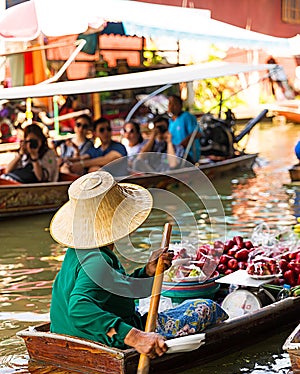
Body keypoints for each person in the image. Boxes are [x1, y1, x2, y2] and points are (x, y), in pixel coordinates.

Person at [49, 171, 228, 356]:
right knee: (205, 307)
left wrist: (147, 272)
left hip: (65, 334)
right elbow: (79, 309)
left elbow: (113, 289)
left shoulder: (78, 251)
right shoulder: (97, 262)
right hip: (102, 339)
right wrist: (136, 337)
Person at [168, 94, 201, 163]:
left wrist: (181, 146)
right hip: (174, 155)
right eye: (170, 104)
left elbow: (196, 133)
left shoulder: (187, 117)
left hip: (187, 155)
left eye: (174, 104)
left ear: (180, 105)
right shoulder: (170, 121)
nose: (171, 106)